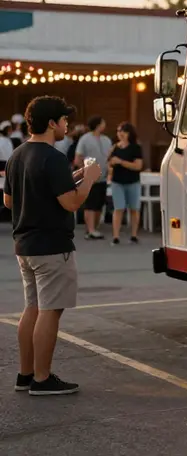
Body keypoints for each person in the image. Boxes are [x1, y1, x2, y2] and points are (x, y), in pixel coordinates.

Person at [2, 95, 101, 396]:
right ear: (51, 123)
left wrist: (75, 176)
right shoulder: (53, 157)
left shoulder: (18, 155)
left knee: (32, 307)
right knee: (51, 310)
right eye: (64, 120)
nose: (67, 125)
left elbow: (8, 200)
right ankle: (42, 379)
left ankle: (25, 374)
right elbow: (71, 202)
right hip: (52, 246)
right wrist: (90, 180)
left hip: (25, 245)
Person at [74, 116, 112, 239]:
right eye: (103, 122)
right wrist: (83, 171)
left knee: (99, 203)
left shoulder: (106, 139)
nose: (104, 125)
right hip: (90, 176)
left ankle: (95, 228)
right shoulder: (85, 139)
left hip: (103, 177)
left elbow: (110, 156)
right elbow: (78, 157)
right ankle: (90, 229)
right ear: (98, 124)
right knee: (90, 204)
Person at [108, 122, 144, 245]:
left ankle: (134, 235)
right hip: (117, 182)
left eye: (123, 131)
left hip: (132, 181)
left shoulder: (136, 147)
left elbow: (138, 166)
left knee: (134, 209)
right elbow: (110, 163)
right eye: (118, 131)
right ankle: (116, 236)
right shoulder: (115, 147)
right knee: (118, 208)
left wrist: (121, 162)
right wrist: (111, 165)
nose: (120, 134)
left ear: (129, 133)